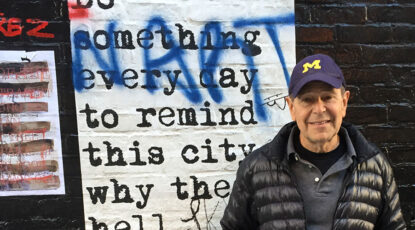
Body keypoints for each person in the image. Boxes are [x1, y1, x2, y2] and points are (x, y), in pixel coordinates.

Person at [220, 54, 406, 230]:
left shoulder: (374, 166)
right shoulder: (256, 168)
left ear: (344, 102)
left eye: (327, 97)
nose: (319, 109)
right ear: (292, 107)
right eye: (307, 100)